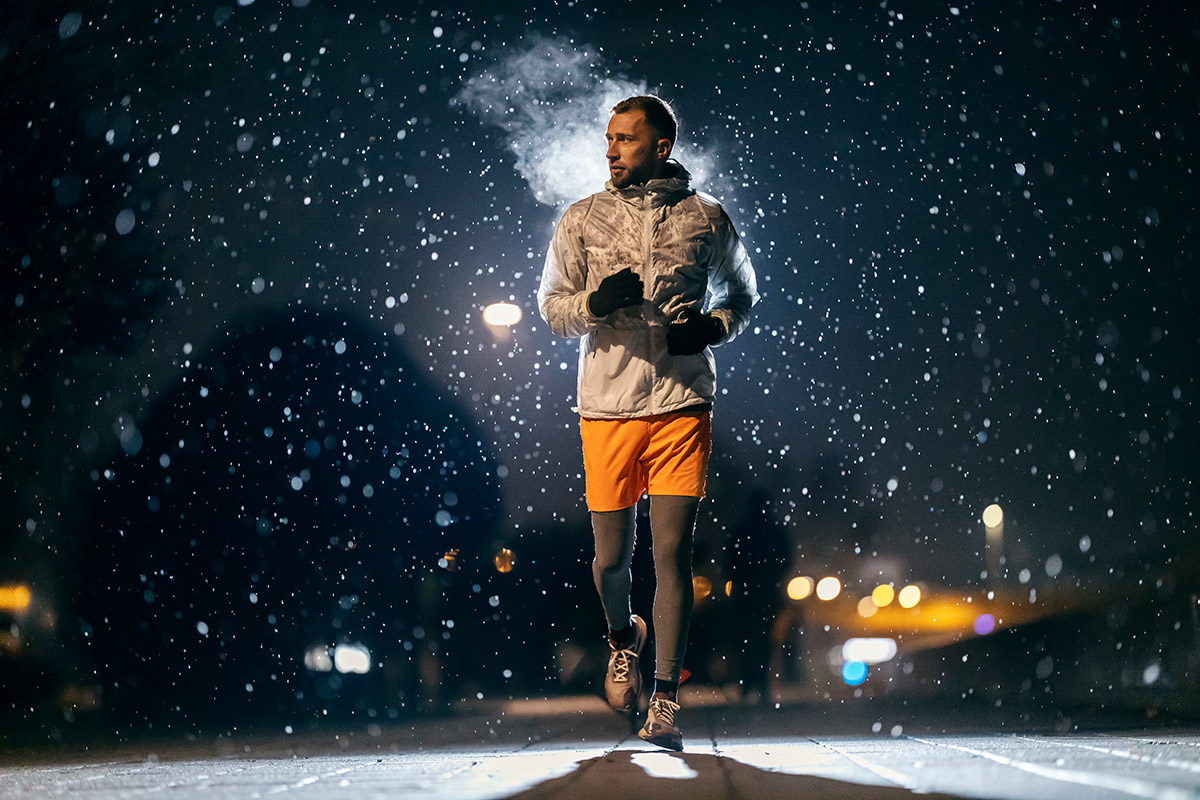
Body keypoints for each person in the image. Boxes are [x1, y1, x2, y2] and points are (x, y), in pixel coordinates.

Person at [537, 95, 759, 751]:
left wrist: (710, 329)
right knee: (611, 562)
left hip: (682, 404)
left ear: (660, 146)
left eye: (625, 139)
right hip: (606, 405)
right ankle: (621, 639)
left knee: (670, 555)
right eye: (608, 138)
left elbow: (744, 294)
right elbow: (551, 309)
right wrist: (593, 303)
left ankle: (664, 700)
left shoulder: (706, 218)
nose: (610, 150)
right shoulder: (582, 219)